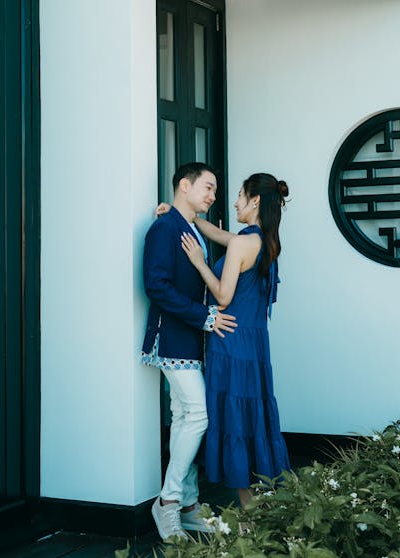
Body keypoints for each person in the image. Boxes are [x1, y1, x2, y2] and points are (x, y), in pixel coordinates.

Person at [180, 172, 290, 509]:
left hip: (230, 340)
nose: (235, 202)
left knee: (235, 419)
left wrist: (199, 262)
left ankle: (249, 512)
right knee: (251, 416)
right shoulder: (263, 240)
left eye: (240, 196)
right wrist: (188, 217)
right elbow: (219, 234)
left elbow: (223, 295)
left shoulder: (243, 243)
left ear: (255, 200)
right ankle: (262, 507)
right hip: (254, 345)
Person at [142, 162, 237, 541]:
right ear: (185, 185)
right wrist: (206, 317)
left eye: (215, 190)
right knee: (197, 414)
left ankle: (188, 504)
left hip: (192, 339)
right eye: (208, 188)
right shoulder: (165, 227)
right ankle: (167, 503)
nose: (213, 196)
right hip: (172, 337)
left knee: (185, 417)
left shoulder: (191, 228)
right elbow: (156, 285)